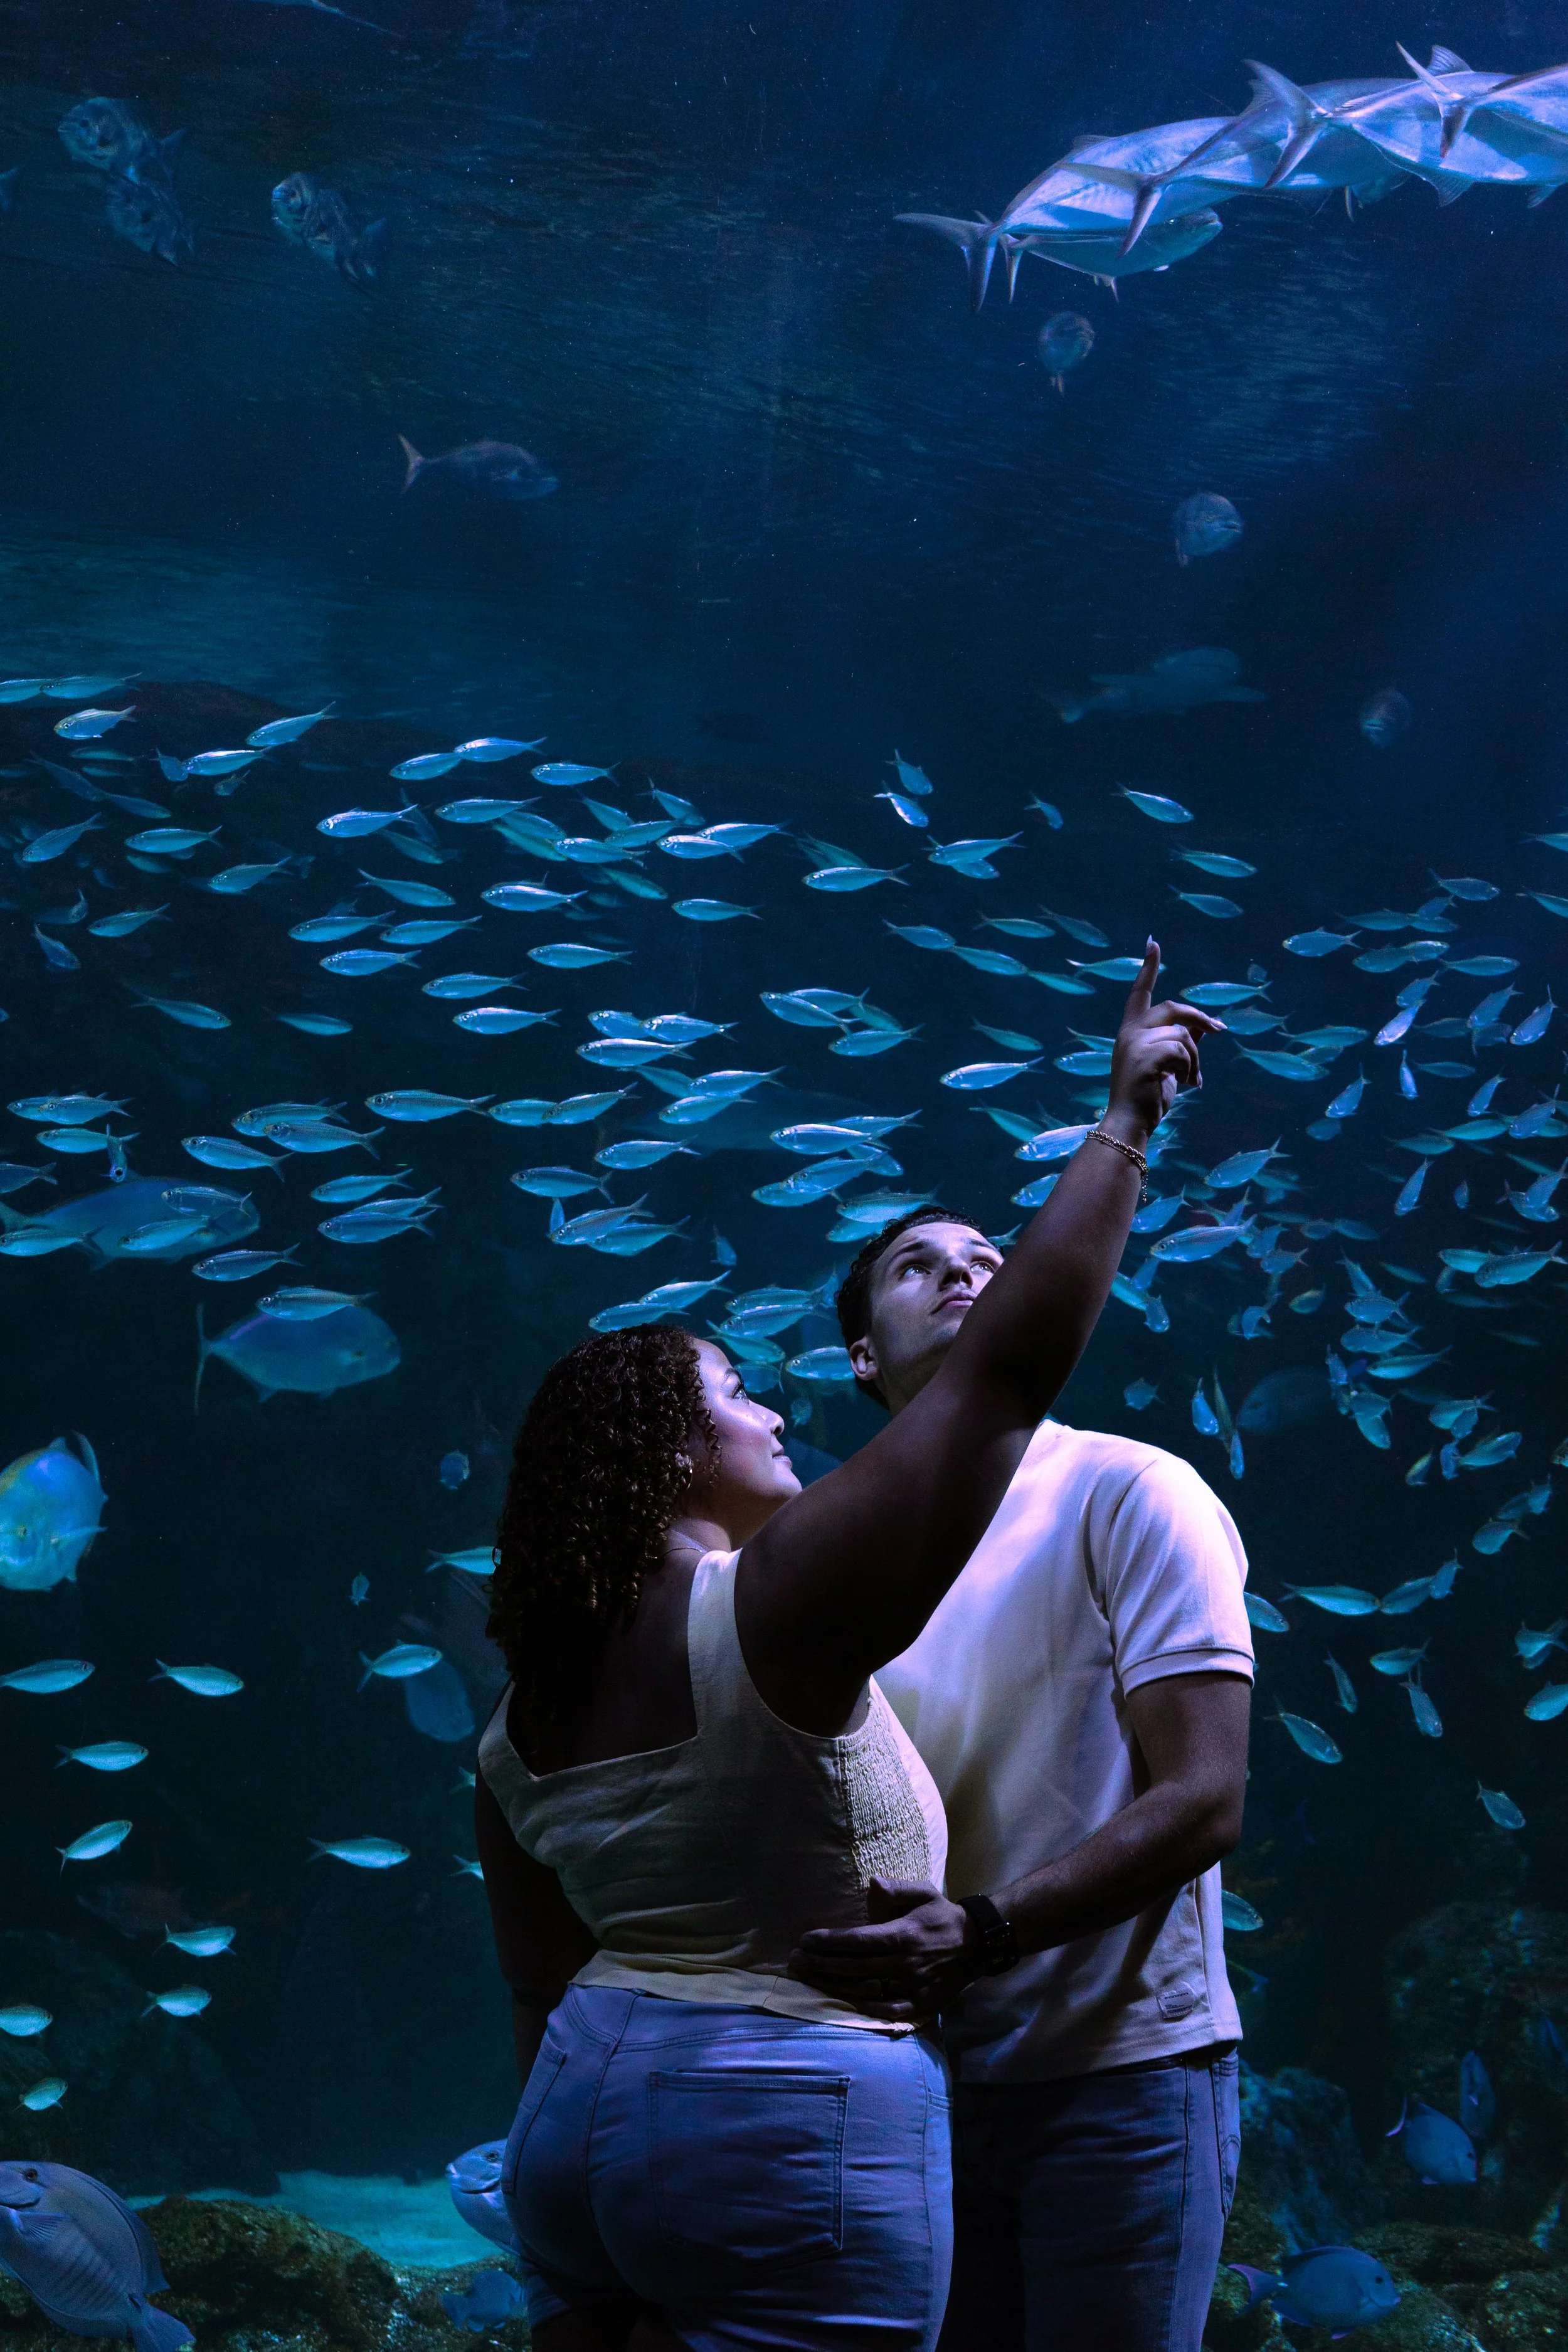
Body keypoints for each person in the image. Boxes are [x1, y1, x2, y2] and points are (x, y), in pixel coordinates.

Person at [472, 945, 1221, 2352]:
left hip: (578, 2123)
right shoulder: (772, 1601)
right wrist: (1121, 1124)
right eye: (734, 1391)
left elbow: (536, 1976)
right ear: (667, 1455)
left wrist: (555, 2208)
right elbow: (1009, 1367)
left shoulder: (521, 1710)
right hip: (774, 2113)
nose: (766, 1414)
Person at [788, 1181, 1254, 2351]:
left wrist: (982, 1930)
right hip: (909, 2084)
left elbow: (1204, 1797)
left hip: (1124, 2072)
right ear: (858, 1355)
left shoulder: (1132, 1489)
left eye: (988, 1256)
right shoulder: (820, 1549)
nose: (962, 1271)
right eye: (916, 1264)